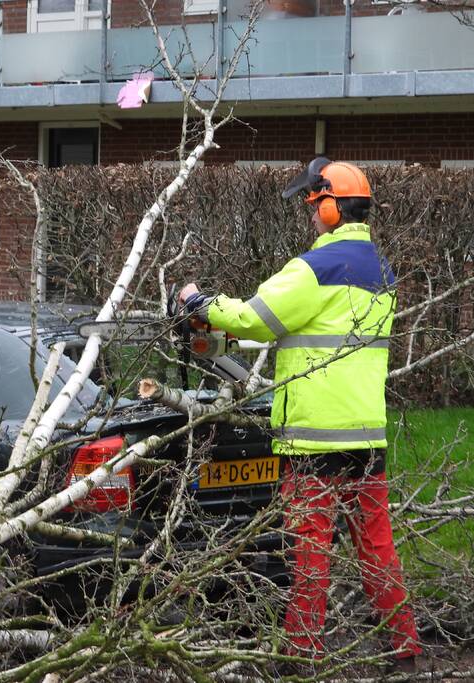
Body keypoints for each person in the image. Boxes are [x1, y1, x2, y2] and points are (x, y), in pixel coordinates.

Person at [177, 158, 421, 670]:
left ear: (332, 208)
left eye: (314, 206)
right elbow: (302, 330)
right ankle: (405, 652)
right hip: (366, 439)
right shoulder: (382, 272)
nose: (311, 217)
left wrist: (198, 299)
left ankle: (301, 656)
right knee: (377, 550)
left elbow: (253, 317)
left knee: (309, 556)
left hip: (314, 446)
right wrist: (220, 341)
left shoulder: (314, 269)